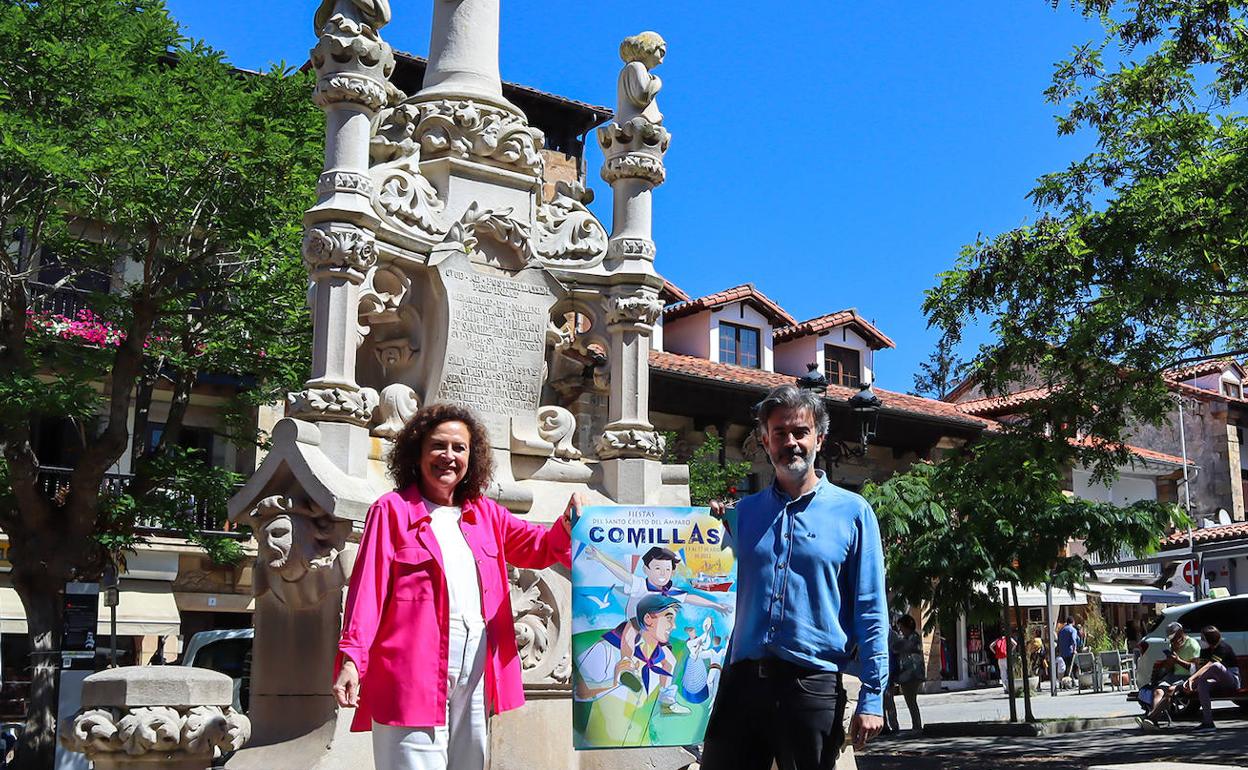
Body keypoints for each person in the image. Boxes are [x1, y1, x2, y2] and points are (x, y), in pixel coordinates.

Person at [332, 403, 577, 770]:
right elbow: (367, 592)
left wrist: (571, 520)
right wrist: (353, 660)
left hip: (476, 671)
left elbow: (541, 547)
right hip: (410, 673)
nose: (449, 456)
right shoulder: (391, 511)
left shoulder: (485, 513)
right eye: (438, 446)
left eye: (459, 448)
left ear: (471, 457)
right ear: (417, 452)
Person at [701, 384, 887, 770]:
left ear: (819, 437)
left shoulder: (854, 513)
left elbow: (870, 609)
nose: (791, 442)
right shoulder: (741, 515)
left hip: (811, 686)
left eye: (800, 432)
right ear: (766, 441)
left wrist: (873, 696)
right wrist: (699, 524)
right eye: (780, 433)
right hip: (741, 685)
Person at [1139, 621, 1202, 728]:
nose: (1173, 641)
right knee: (1158, 691)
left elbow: (1195, 669)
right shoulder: (1172, 645)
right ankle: (1153, 721)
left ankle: (1151, 718)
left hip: (1188, 677)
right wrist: (1169, 662)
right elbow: (1170, 668)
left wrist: (1178, 660)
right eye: (1171, 639)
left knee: (1170, 690)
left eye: (1175, 637)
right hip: (1173, 676)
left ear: (1181, 632)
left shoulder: (1192, 644)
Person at [1182, 625, 1242, 731]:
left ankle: (1189, 684)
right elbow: (1201, 668)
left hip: (1231, 680)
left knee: (1215, 666)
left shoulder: (1223, 647)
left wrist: (1192, 679)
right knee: (1202, 684)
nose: (1201, 640)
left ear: (1210, 639)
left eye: (1203, 638)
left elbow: (1210, 665)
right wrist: (1194, 679)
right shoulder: (1204, 650)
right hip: (1216, 681)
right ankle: (1208, 722)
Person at [892, 614, 924, 732]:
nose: (900, 630)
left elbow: (899, 648)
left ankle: (917, 726)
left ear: (907, 627)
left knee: (911, 701)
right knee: (911, 701)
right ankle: (916, 726)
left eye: (901, 627)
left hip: (911, 675)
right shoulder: (909, 638)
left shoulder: (913, 638)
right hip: (908, 675)